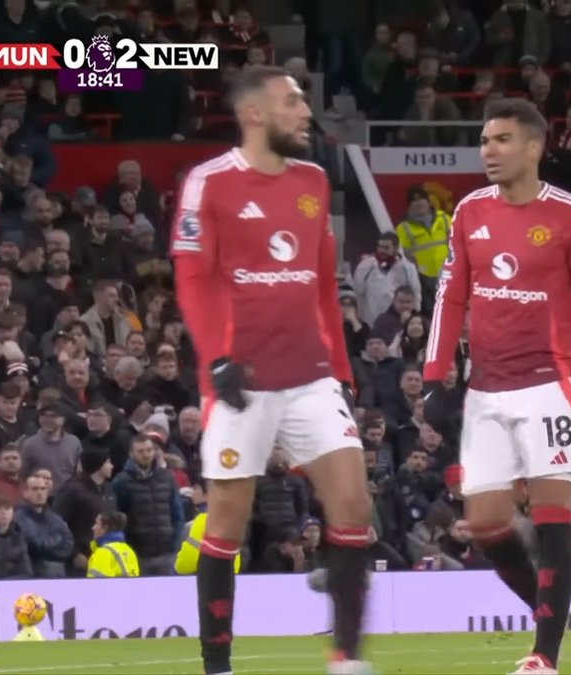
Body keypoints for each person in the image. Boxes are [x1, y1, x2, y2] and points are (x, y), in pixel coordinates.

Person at [170, 66, 372, 675]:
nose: (305, 112)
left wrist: (342, 370)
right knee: (225, 525)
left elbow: (323, 285)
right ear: (253, 113)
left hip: (311, 377)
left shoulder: (314, 181)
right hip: (241, 382)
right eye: (292, 102)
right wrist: (217, 359)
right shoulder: (208, 182)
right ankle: (217, 667)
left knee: (353, 507)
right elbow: (192, 278)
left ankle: (345, 659)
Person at [422, 98, 571, 675]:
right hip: (485, 389)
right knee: (487, 524)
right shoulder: (469, 212)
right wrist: (435, 375)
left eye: (502, 140)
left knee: (550, 515)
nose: (488, 151)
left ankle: (544, 655)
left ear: (534, 147)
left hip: (546, 385)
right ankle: (550, 613)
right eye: (484, 141)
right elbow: (450, 297)